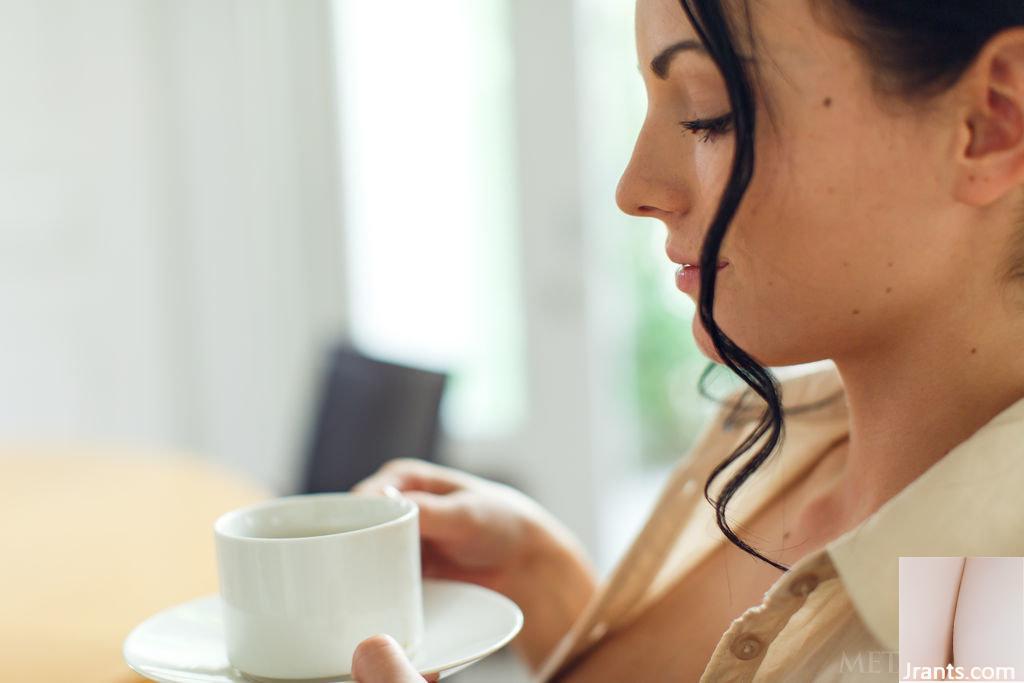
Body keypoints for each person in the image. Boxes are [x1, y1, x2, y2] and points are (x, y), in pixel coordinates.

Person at [348, 0, 1024, 680]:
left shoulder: (990, 572)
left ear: (993, 118)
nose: (635, 188)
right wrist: (544, 584)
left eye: (710, 113)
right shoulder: (782, 439)